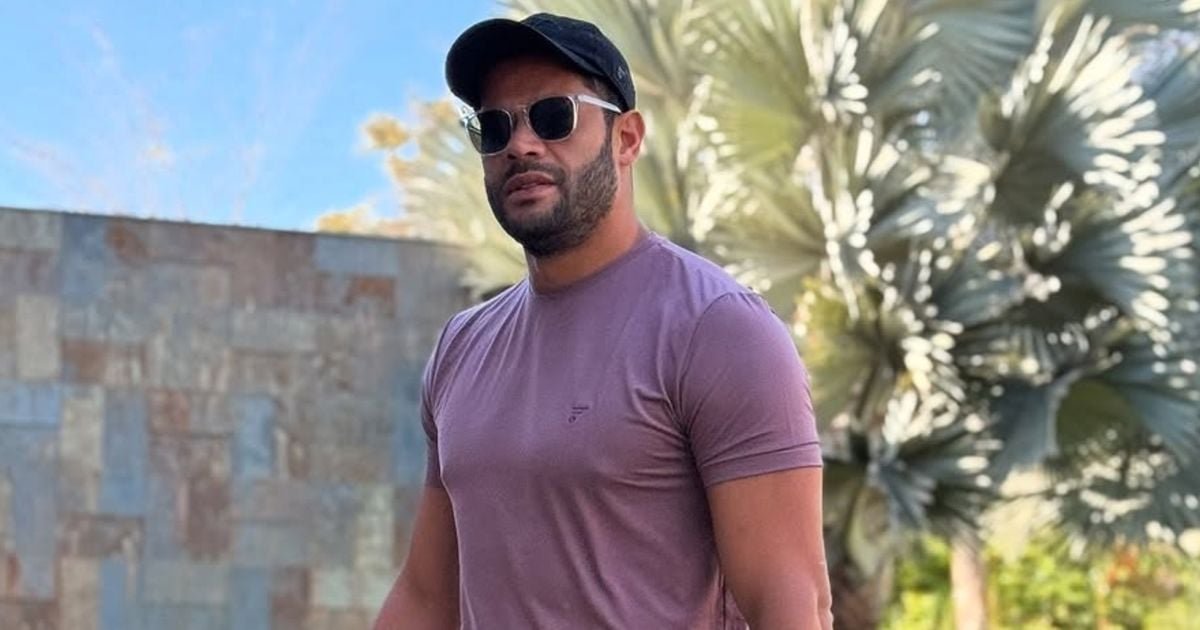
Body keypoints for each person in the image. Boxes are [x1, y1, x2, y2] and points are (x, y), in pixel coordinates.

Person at [373, 12, 832, 629]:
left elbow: (792, 603)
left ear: (627, 139)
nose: (521, 144)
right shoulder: (462, 348)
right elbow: (427, 596)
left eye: (554, 116)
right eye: (495, 126)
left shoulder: (718, 329)